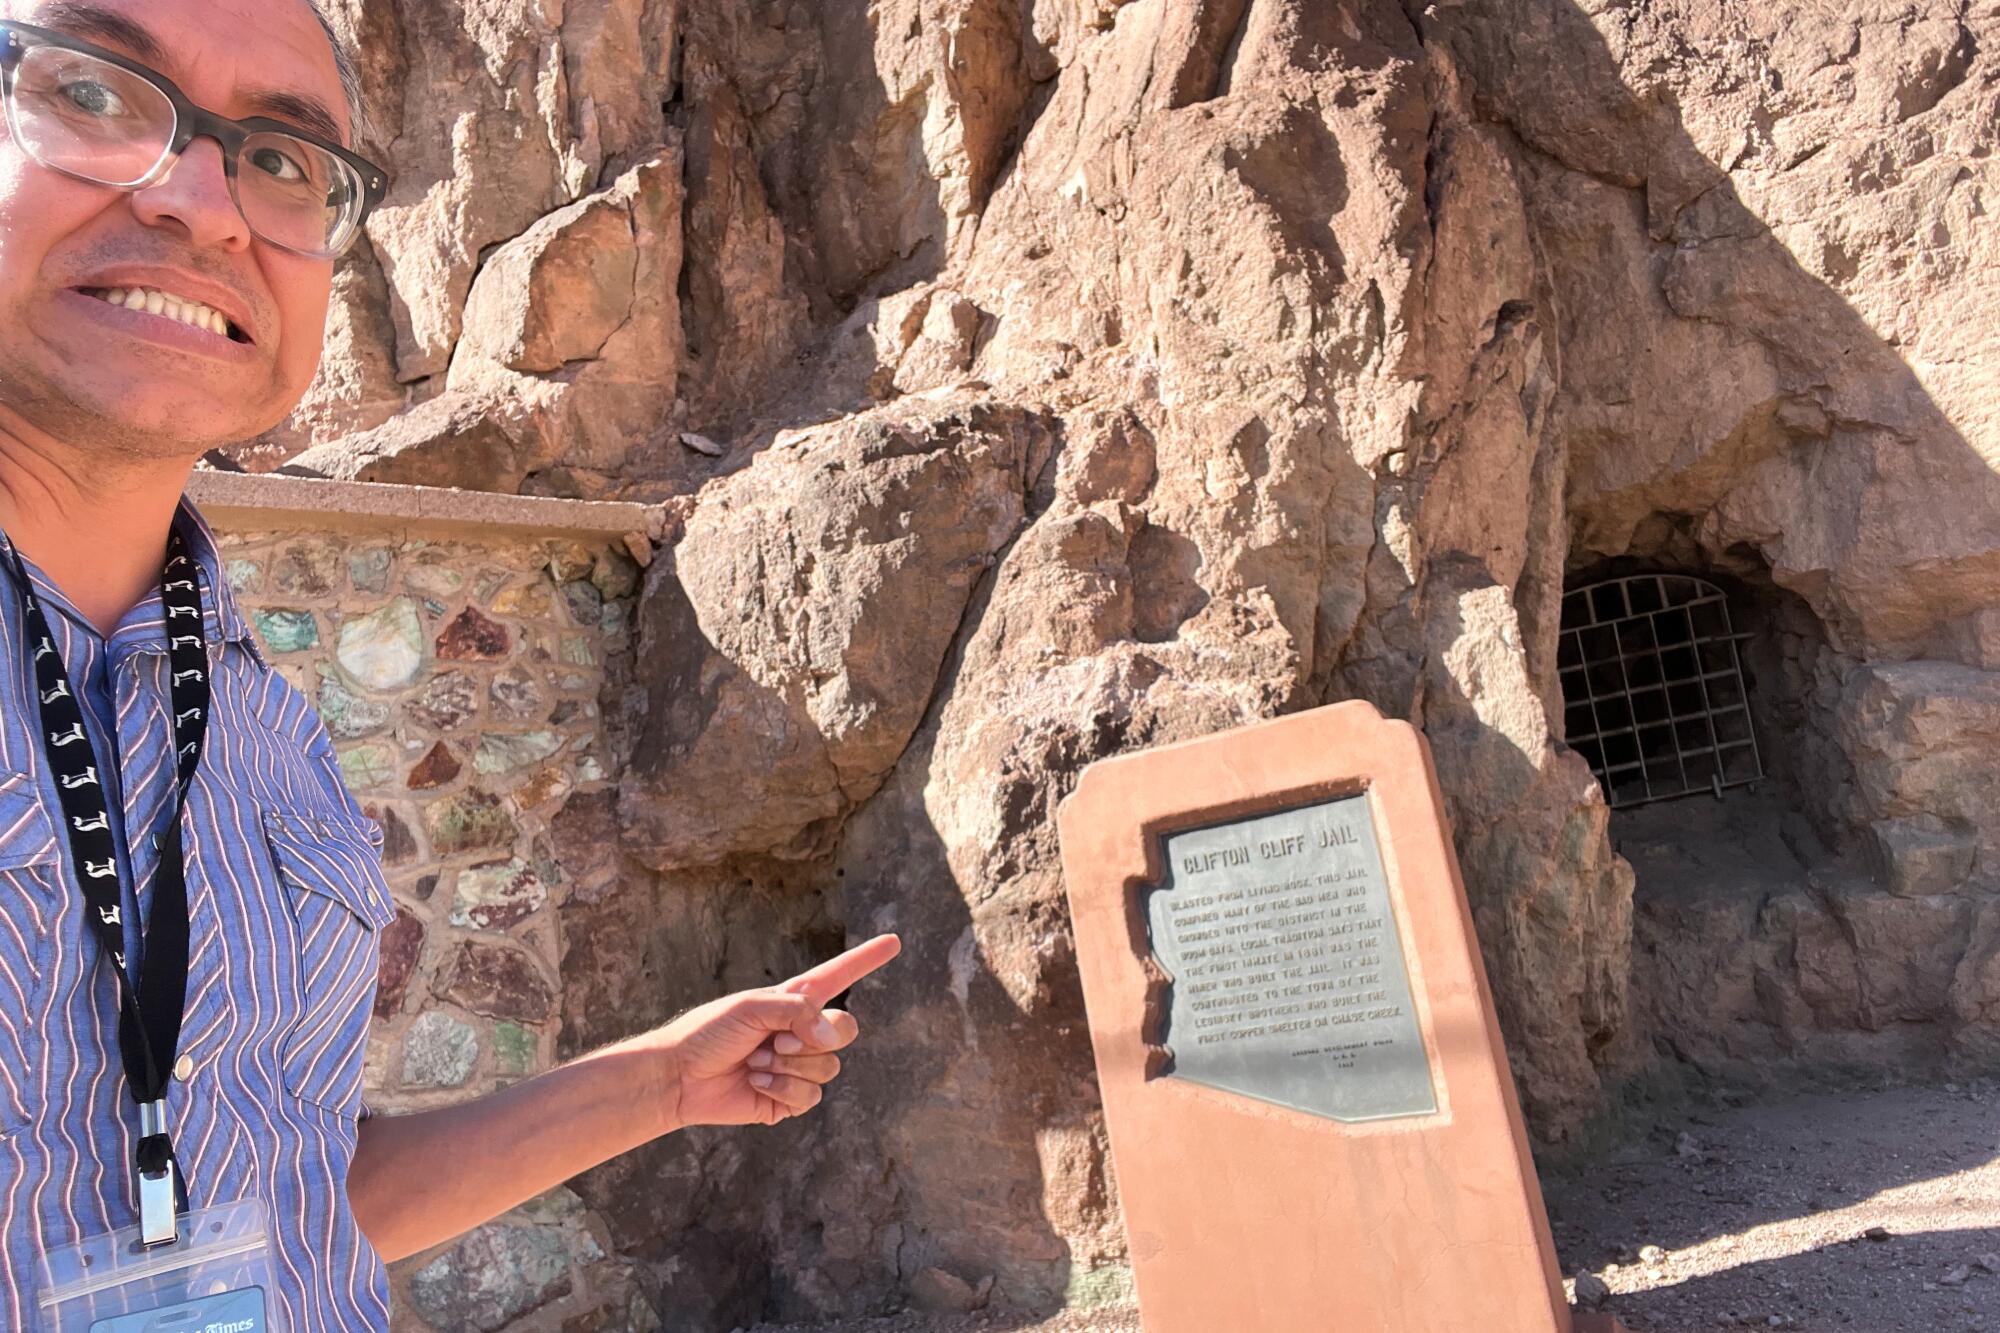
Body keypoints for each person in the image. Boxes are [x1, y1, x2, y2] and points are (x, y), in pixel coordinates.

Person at [0, 0, 901, 1326]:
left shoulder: (258, 719)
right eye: (93, 93)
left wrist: (660, 1078)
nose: (205, 200)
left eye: (284, 160)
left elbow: (297, 1191)